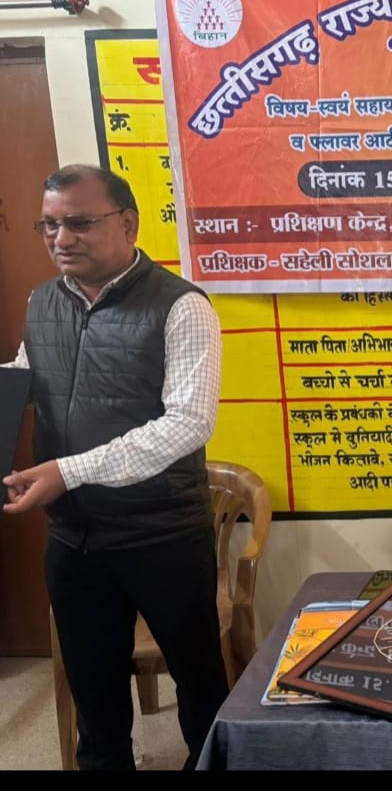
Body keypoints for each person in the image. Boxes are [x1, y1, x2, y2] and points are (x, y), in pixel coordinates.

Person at [1, 164, 228, 770]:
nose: (61, 239)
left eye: (79, 222)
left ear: (128, 224)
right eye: (48, 225)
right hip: (73, 538)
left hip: (162, 537)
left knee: (200, 687)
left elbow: (188, 423)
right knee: (95, 697)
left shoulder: (182, 306)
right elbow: (29, 375)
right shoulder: (42, 300)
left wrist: (68, 471)